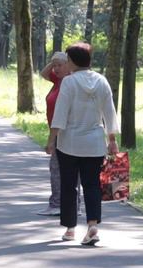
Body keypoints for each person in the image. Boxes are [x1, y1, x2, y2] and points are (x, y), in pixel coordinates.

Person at [46, 42, 119, 245]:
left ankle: (70, 229)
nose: (66, 64)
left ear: (73, 62)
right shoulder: (101, 81)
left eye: (67, 60)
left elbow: (60, 115)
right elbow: (109, 113)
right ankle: (92, 225)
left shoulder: (69, 83)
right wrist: (112, 140)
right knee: (92, 185)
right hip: (95, 143)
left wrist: (51, 140)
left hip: (69, 143)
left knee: (69, 185)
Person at [36, 52, 70, 216]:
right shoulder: (58, 80)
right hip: (55, 130)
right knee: (61, 169)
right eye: (54, 65)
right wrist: (54, 60)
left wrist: (52, 139)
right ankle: (66, 204)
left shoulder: (70, 82)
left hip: (63, 131)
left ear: (69, 65)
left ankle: (58, 204)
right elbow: (43, 73)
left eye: (59, 65)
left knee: (57, 168)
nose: (55, 69)